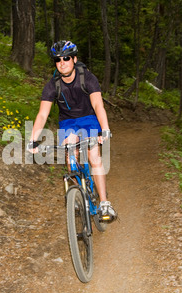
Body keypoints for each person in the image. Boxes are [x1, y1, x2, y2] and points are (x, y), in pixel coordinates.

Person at [27, 40, 117, 221]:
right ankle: (78, 194)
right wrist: (33, 140)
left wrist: (104, 129)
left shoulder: (87, 78)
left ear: (74, 59)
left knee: (93, 156)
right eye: (58, 60)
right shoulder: (52, 85)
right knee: (69, 154)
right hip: (68, 122)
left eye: (66, 58)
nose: (62, 62)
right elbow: (42, 115)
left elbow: (98, 104)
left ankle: (104, 203)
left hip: (89, 119)